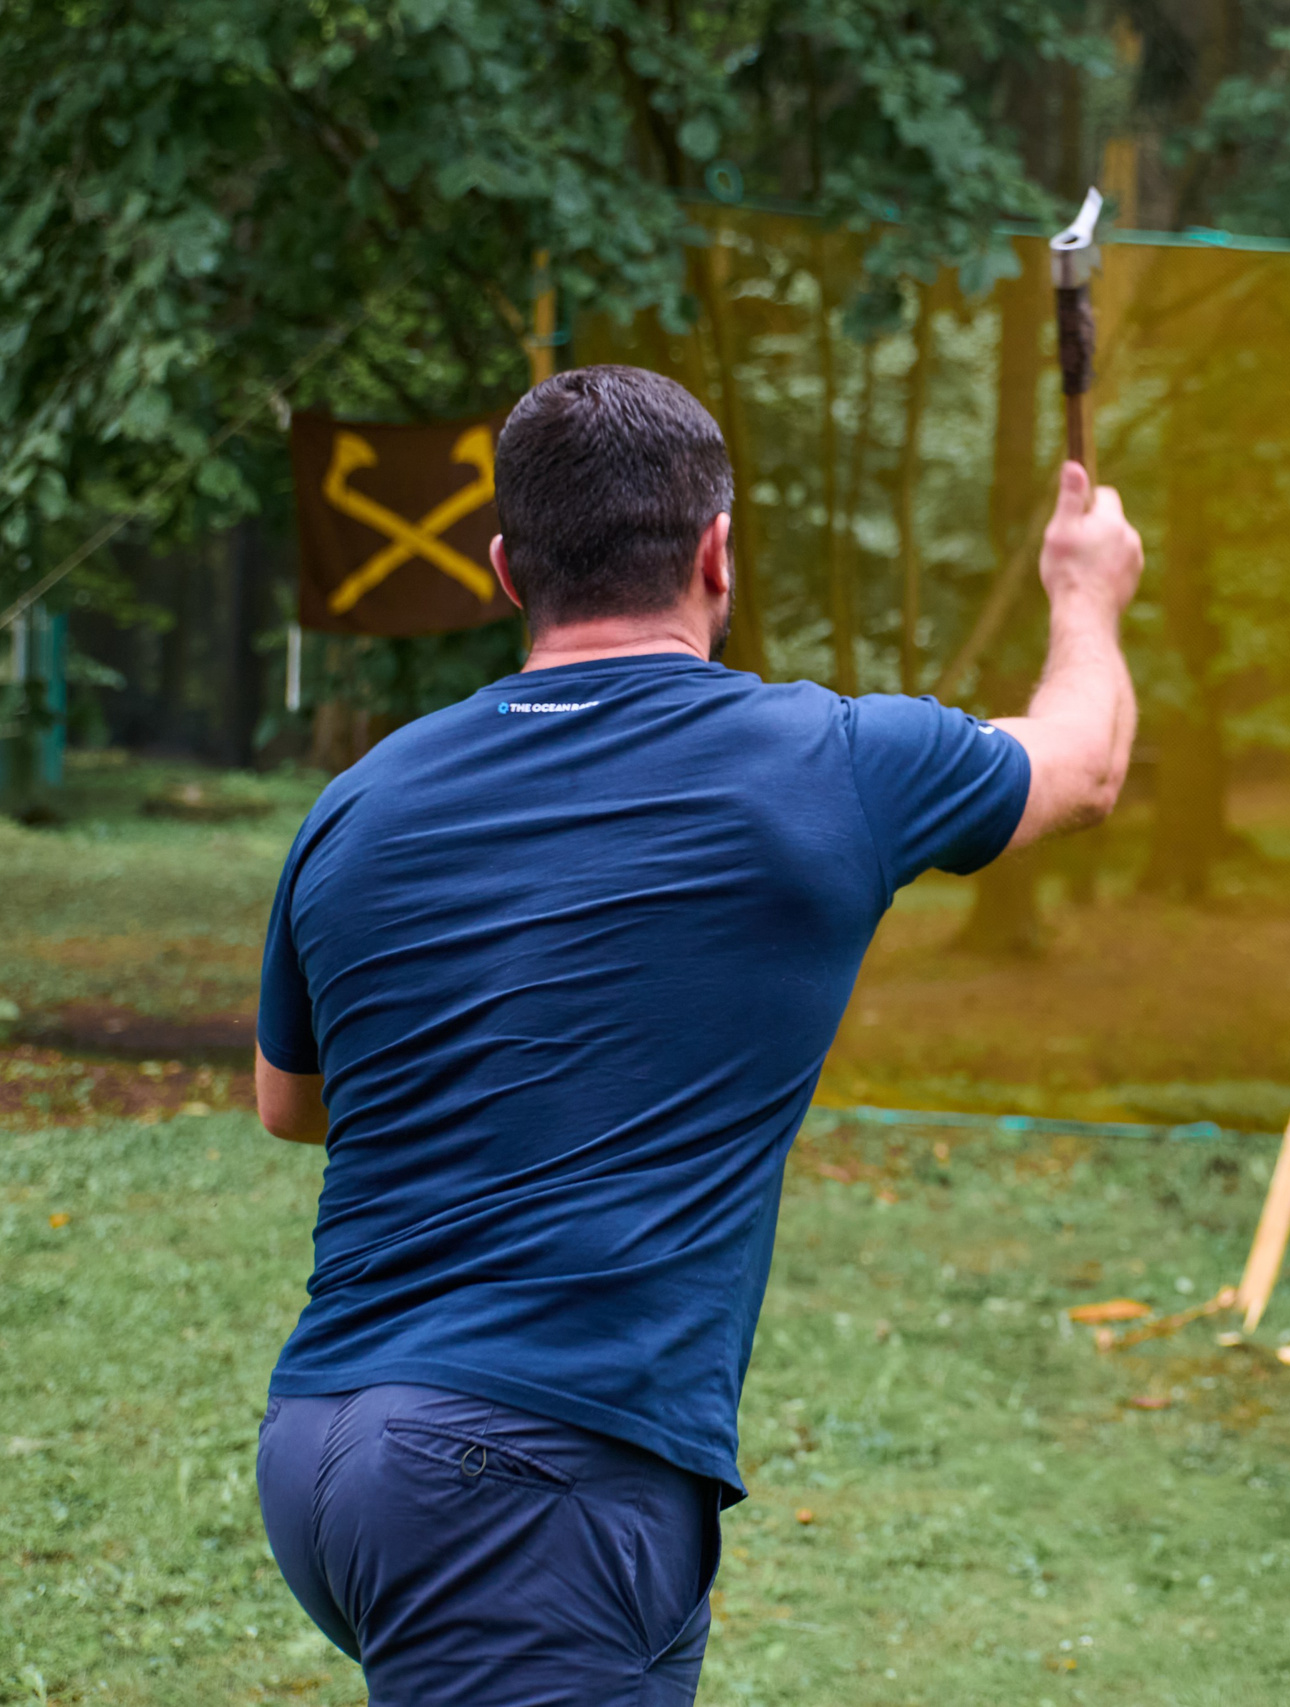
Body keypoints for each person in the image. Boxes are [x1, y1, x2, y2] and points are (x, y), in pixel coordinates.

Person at [250, 364, 1142, 1705]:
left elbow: (294, 1103)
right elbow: (1084, 761)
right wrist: (1085, 592)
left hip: (324, 1453)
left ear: (506, 570)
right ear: (717, 553)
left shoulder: (360, 803)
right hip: (524, 1478)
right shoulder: (829, 762)